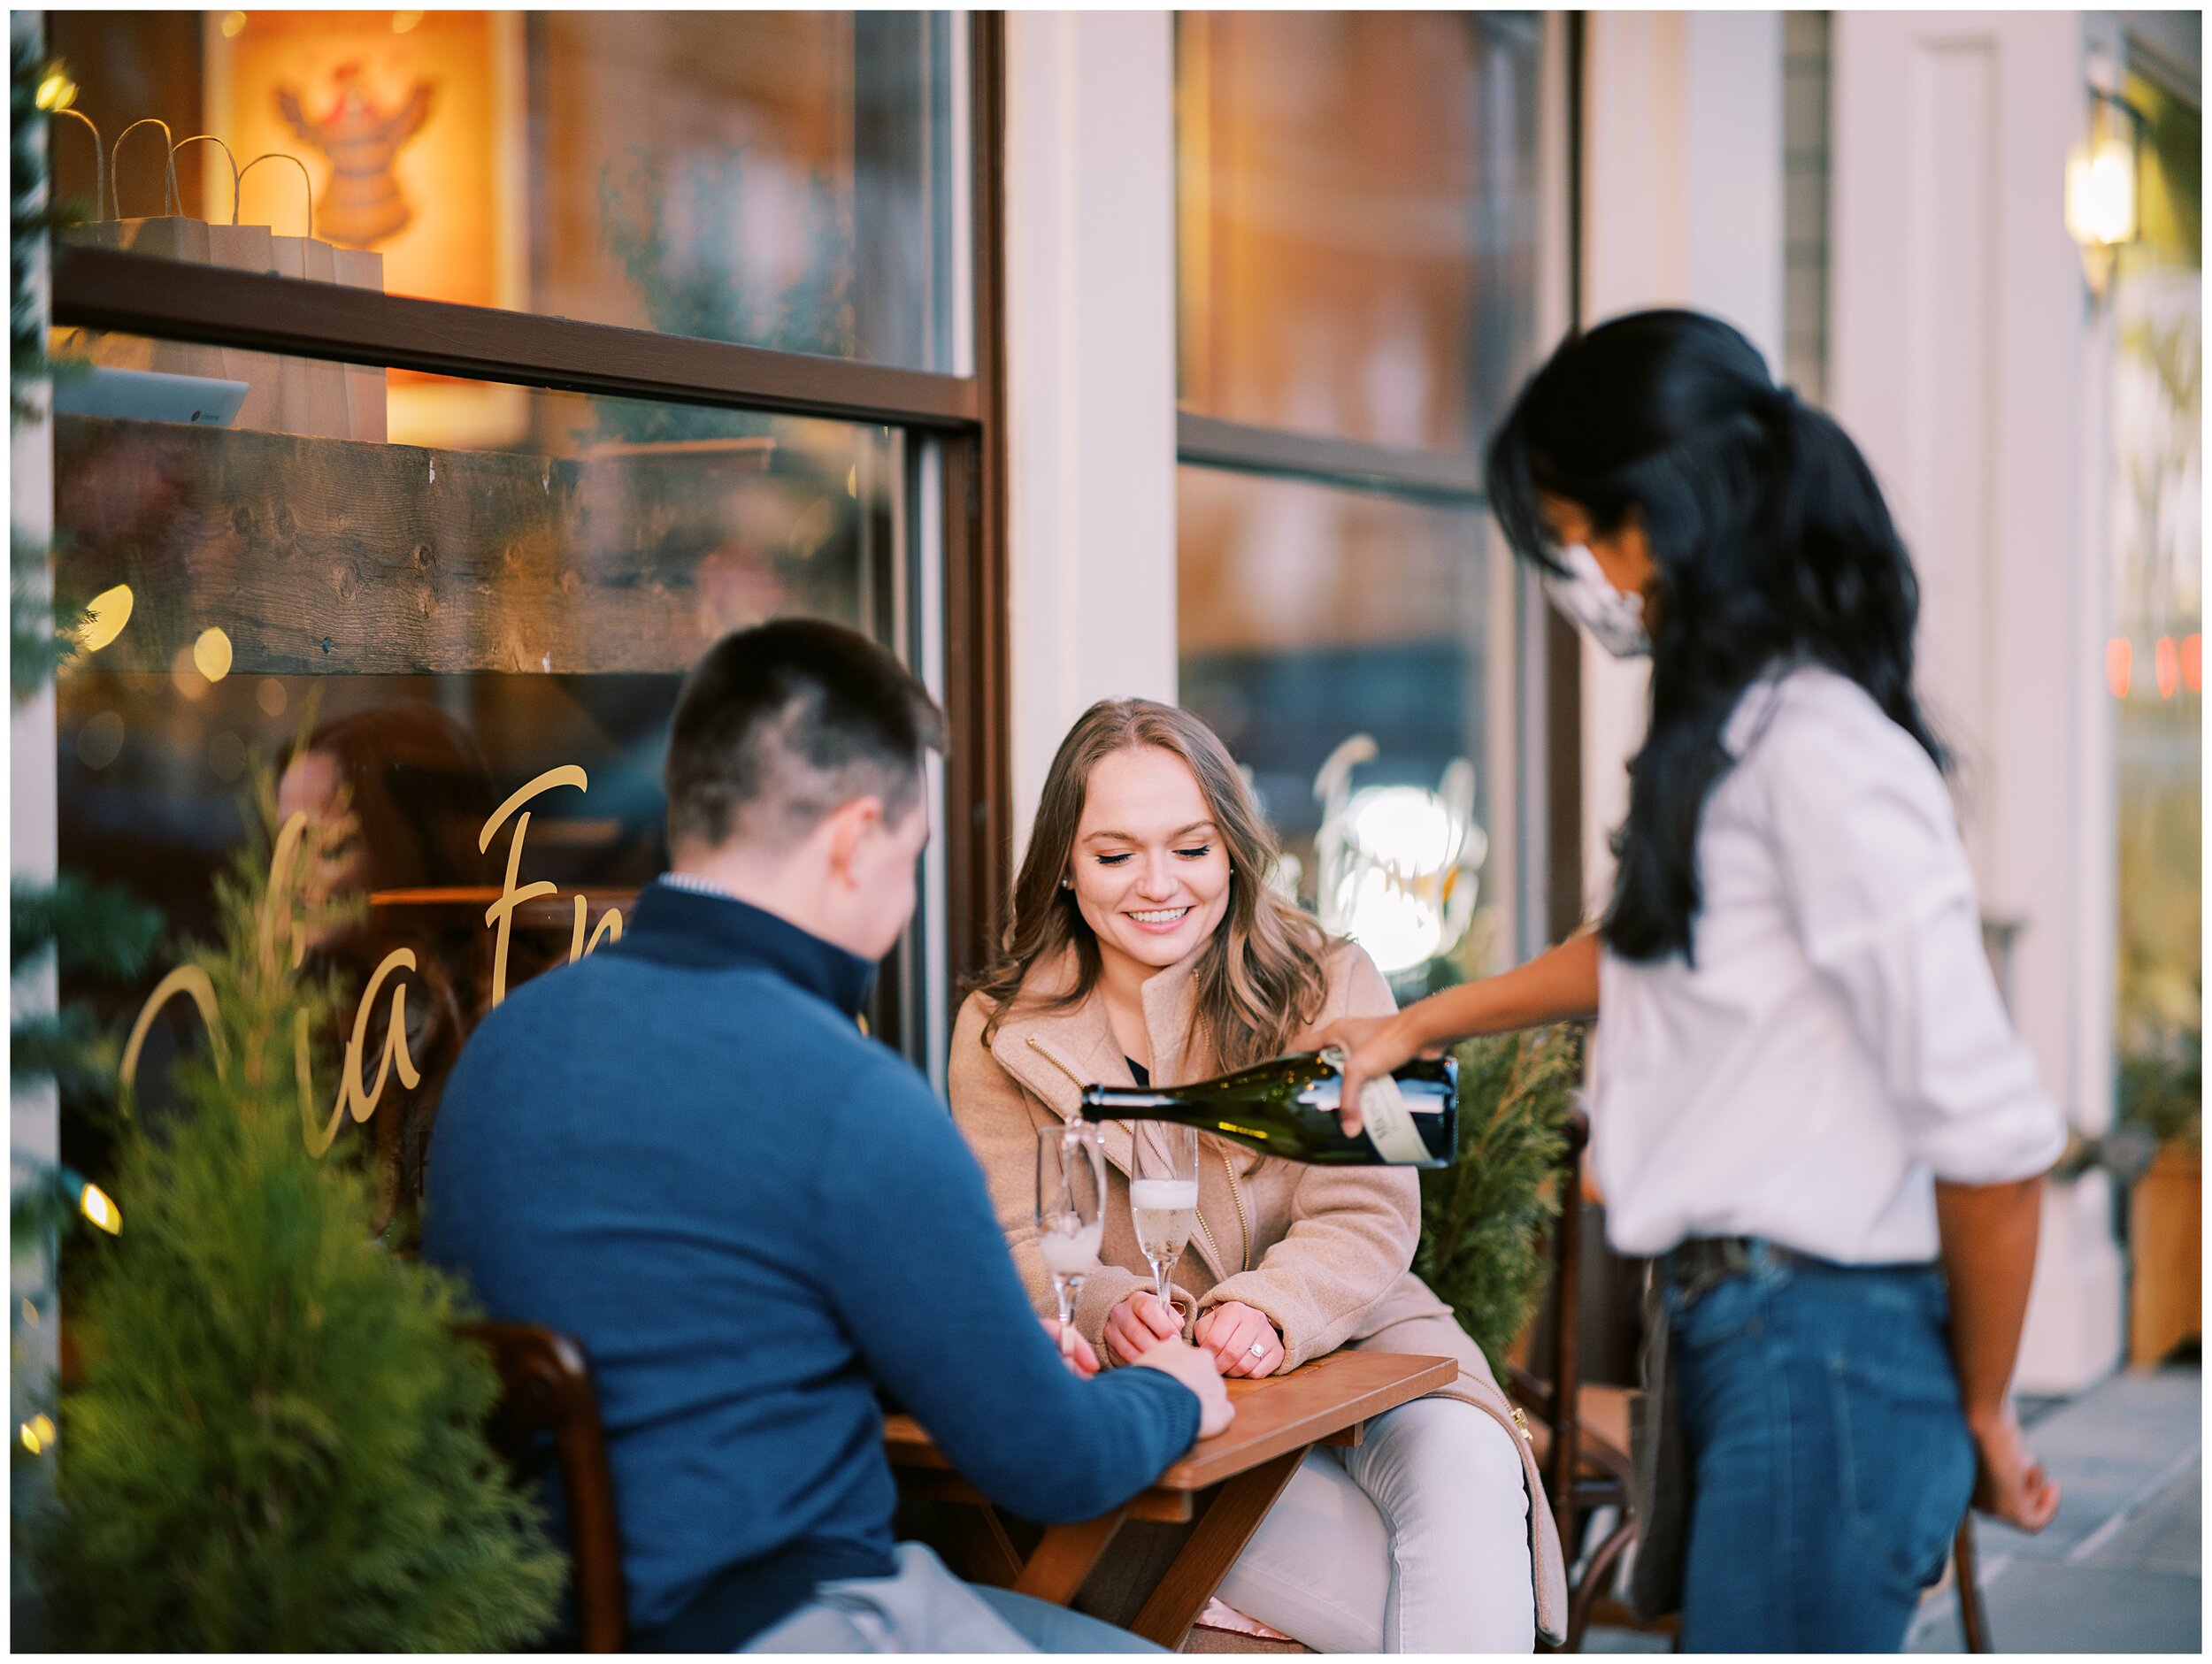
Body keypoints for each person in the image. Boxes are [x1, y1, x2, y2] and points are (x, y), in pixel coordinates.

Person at [1317, 310, 2069, 1652]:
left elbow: (1998, 1142)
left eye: (1586, 534)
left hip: (1825, 1344)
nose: (1587, 576)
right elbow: (1647, 948)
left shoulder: (1818, 754)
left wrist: (1987, 1406)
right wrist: (1419, 1019)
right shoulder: (1731, 737)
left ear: (1667, 512)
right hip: (1741, 1328)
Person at [423, 620, 1232, 1652]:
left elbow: (688, 1321)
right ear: (854, 841)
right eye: (910, 862)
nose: (903, 902)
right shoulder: (852, 1100)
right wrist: (1168, 1391)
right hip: (790, 1625)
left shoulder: (505, 1048)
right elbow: (1056, 1463)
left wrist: (960, 1344)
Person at [949, 698, 1567, 1652]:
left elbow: (1367, 1206)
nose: (1158, 885)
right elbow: (1008, 1237)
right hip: (1157, 1398)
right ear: (1065, 868)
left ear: (1233, 850)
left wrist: (1275, 1307)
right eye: (1115, 856)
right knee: (1412, 1612)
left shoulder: (1331, 977)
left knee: (1467, 1467)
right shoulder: (997, 1030)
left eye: (1190, 848)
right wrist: (1109, 1303)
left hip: (1358, 1337)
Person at [276, 704, 497, 1233]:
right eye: (284, 842)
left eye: (331, 846)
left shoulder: (453, 1015)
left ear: (408, 850)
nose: (291, 876)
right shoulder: (311, 1004)